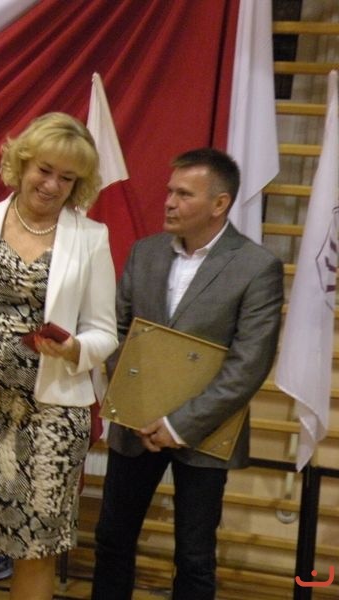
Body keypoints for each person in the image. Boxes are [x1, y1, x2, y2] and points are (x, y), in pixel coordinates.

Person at [0, 112, 118, 600]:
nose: (52, 185)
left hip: (54, 418)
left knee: (36, 550)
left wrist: (75, 348)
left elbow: (105, 332)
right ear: (22, 163)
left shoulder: (92, 238)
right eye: (44, 170)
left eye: (66, 178)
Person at [91, 148, 284, 600]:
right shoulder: (145, 252)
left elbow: (250, 363)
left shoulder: (257, 267)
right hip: (135, 426)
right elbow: (117, 331)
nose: (169, 202)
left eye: (183, 194)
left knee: (194, 557)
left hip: (205, 432)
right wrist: (137, 404)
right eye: (169, 192)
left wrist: (179, 424)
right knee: (112, 540)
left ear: (220, 203)